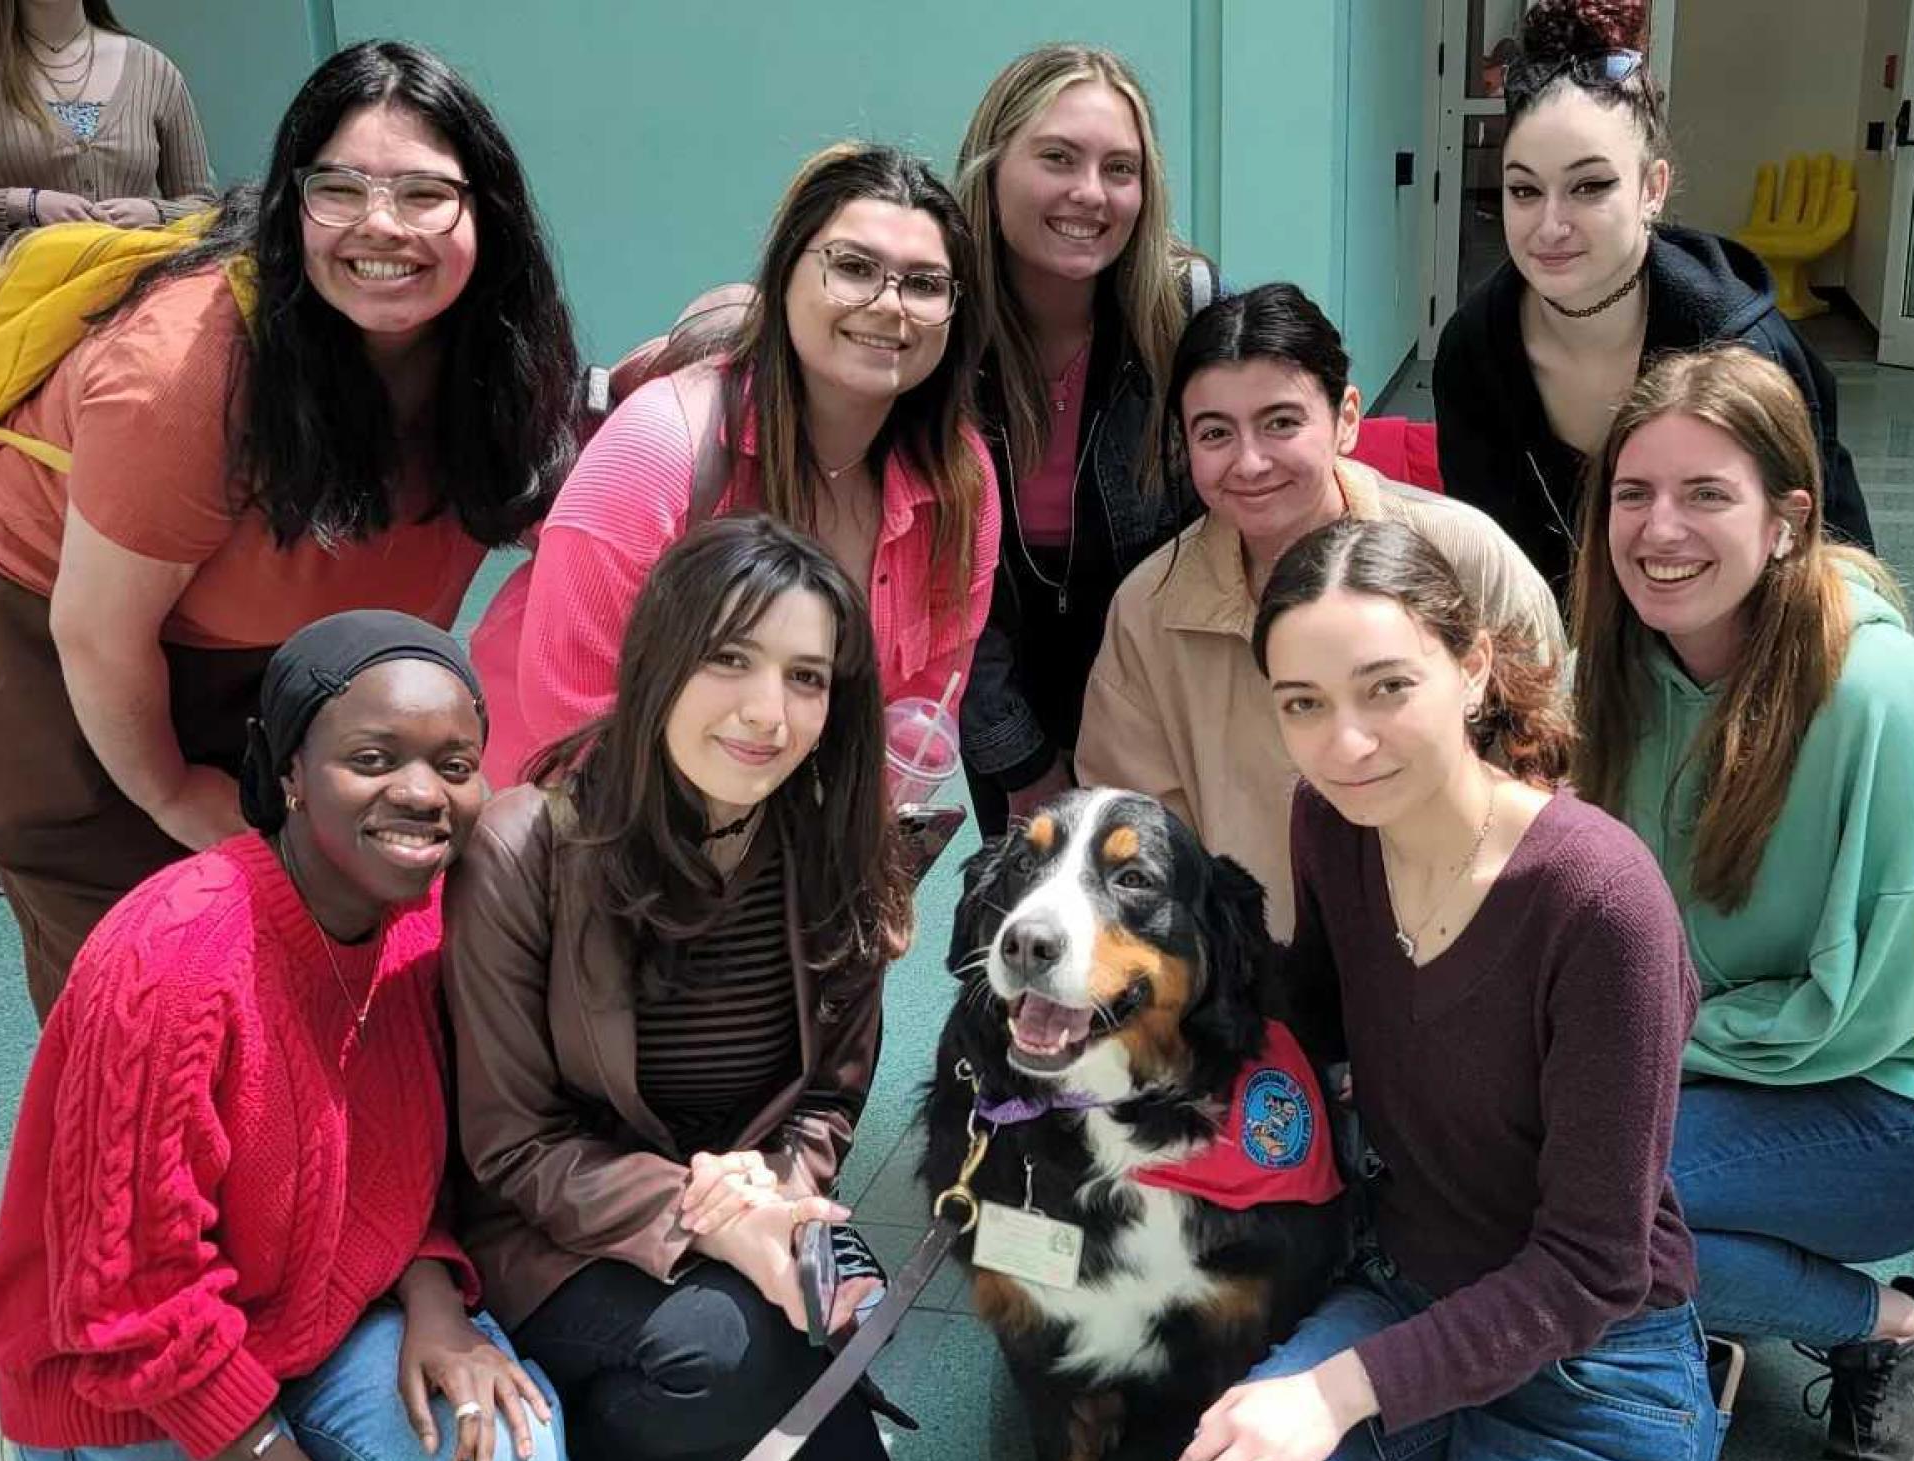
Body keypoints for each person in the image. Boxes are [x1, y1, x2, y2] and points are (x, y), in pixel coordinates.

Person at [0, 38, 581, 1016]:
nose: (381, 226)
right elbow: (98, 636)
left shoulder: (496, 353)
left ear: (491, 215)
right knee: (158, 959)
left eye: (426, 194)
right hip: (53, 648)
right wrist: (178, 795)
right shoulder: (185, 374)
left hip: (264, 655)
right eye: (338, 189)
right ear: (290, 205)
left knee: (327, 931)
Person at [1161, 517, 1717, 1461]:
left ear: (1470, 669)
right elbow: (1309, 1018)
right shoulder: (1330, 823)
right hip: (1409, 1288)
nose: (1345, 743)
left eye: (1385, 688)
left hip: (1593, 1367)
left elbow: (1596, 1267)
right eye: (1303, 705)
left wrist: (1333, 1394)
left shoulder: (1601, 903)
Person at [0, 611, 567, 1461]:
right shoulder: (173, 962)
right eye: (374, 757)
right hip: (128, 1396)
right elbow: (131, 1307)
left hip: (312, 1331)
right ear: (290, 772)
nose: (422, 794)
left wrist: (434, 1301)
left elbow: (412, 1161)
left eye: (456, 763)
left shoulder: (423, 921)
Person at [1570, 346, 1914, 1461]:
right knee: (1527, 1161)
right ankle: (1696, 1288)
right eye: (1634, 493)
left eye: (1706, 494)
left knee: (1601, 1196)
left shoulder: (1886, 693)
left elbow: (1877, 1001)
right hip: (1729, 1056)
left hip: (1905, 1096)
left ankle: (1901, 1336)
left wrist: (1635, 1055)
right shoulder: (1616, 671)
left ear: (1787, 519)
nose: (1659, 528)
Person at [448, 519, 922, 1461]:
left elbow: (831, 1099)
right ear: (660, 656)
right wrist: (709, 1219)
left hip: (746, 1221)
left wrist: (778, 1194)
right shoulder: (529, 848)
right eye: (730, 658)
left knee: (797, 1364)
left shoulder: (839, 848)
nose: (768, 712)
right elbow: (509, 1144)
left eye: (807, 677)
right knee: (720, 1354)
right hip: (561, 1235)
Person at [469, 141, 999, 789]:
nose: (890, 305)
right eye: (853, 267)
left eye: (924, 284)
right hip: (584, 829)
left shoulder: (958, 479)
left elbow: (917, 711)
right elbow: (571, 722)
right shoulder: (658, 448)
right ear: (783, 277)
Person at [1076, 282, 1560, 936]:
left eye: (1281, 422)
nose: (1250, 462)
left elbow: (1555, 761)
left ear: (1347, 419)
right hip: (1256, 972)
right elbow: (1134, 832)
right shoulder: (1148, 609)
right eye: (1215, 432)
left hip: (1464, 942)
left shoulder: (1466, 557)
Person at [1431, 0, 1871, 594]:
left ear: (1652, 189)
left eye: (1590, 186)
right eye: (1524, 190)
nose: (1550, 225)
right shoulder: (1474, 350)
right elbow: (1489, 568)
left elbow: (1825, 563)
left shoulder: (1743, 350)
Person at [947, 42, 1216, 833]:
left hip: (1161, 678)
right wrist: (1021, 761)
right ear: (992, 166)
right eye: (1057, 158)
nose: (1089, 194)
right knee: (1039, 907)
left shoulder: (1185, 310)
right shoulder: (938, 330)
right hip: (994, 672)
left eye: (1120, 169)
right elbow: (942, 586)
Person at [0, 0, 215, 263]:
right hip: (12, 309)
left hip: (132, 309)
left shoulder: (155, 69)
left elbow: (204, 207)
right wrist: (21, 206)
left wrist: (156, 215)